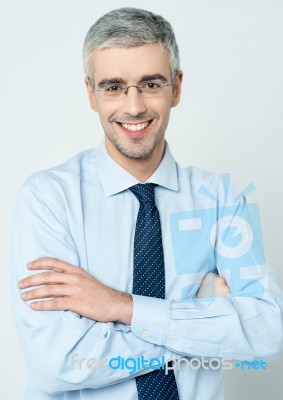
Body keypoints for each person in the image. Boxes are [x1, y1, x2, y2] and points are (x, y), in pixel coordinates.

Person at [11, 7, 283, 400]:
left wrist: (121, 308)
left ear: (177, 86)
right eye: (114, 86)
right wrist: (200, 321)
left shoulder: (221, 200)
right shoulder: (48, 199)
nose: (134, 107)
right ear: (91, 93)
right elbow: (58, 363)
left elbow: (265, 334)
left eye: (151, 84)